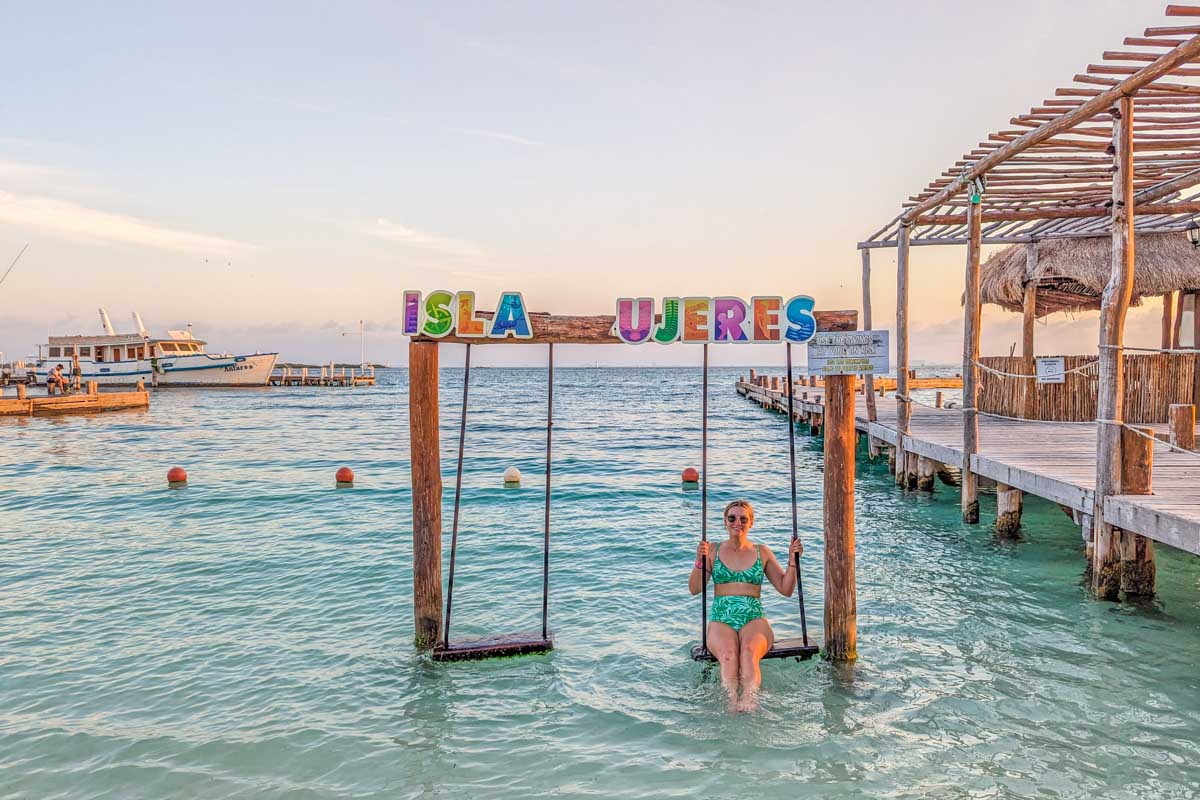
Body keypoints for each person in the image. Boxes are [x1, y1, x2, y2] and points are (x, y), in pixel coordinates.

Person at [689, 499, 803, 712]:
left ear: (751, 522)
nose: (737, 522)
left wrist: (793, 561)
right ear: (725, 521)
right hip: (722, 617)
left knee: (749, 652)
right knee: (729, 655)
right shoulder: (712, 550)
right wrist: (699, 560)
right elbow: (695, 588)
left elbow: (785, 589)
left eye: (743, 518)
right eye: (732, 518)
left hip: (754, 617)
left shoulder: (762, 551)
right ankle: (731, 701)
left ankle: (750, 700)